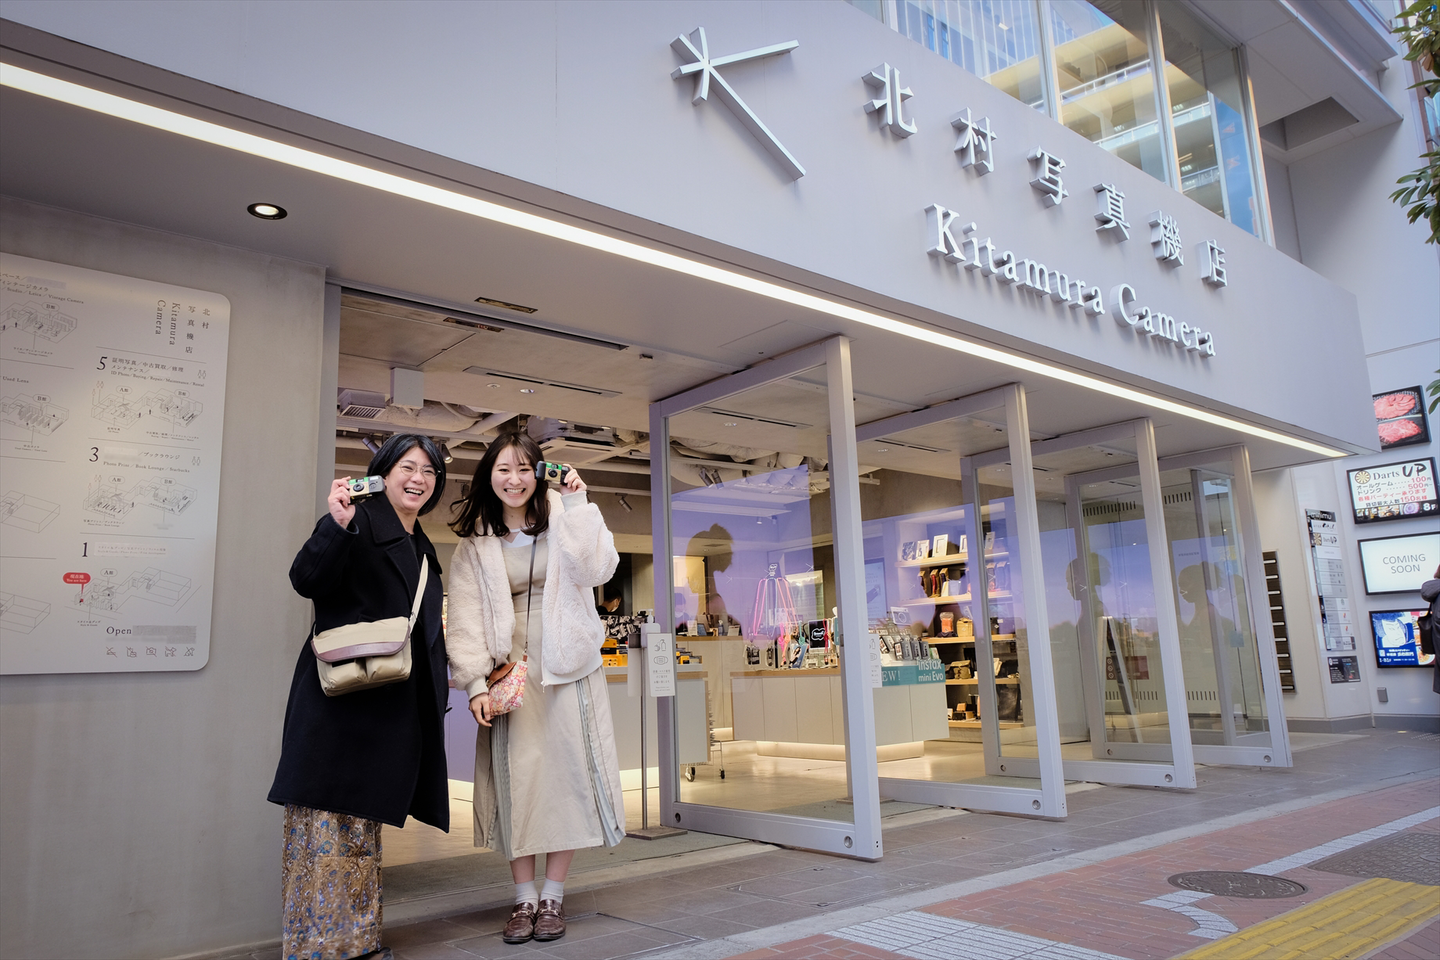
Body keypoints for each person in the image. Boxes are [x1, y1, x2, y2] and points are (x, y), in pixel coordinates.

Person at [268, 434, 450, 960]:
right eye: (408, 467)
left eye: (429, 472)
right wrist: (335, 523)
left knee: (359, 837)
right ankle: (318, 948)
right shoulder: (358, 520)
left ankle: (355, 943)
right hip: (338, 709)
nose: (418, 479)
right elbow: (306, 578)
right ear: (383, 472)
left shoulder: (422, 546)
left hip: (384, 712)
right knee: (324, 832)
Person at [446, 433, 624, 945]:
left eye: (525, 468)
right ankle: (523, 898)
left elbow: (599, 569)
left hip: (568, 664)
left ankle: (553, 896)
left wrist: (578, 504)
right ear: (489, 476)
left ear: (540, 472)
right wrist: (474, 681)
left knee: (567, 775)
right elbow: (464, 617)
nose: (515, 479)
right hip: (508, 673)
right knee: (517, 780)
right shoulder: (476, 542)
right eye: (504, 469)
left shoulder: (565, 516)